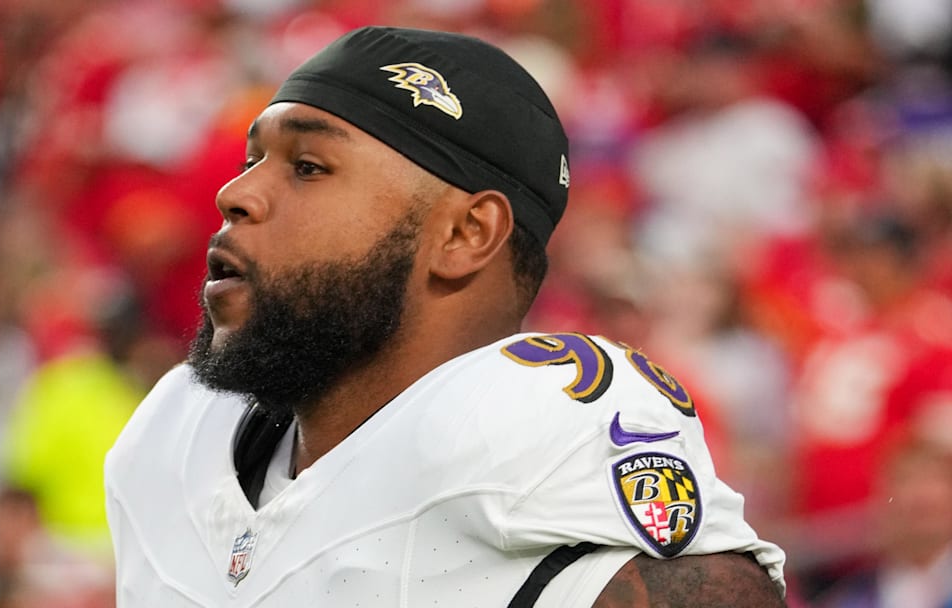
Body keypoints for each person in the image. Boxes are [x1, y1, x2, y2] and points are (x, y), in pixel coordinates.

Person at [104, 26, 786, 607]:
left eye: (308, 166)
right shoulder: (175, 434)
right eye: (252, 159)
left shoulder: (528, 433)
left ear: (465, 234)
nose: (235, 193)